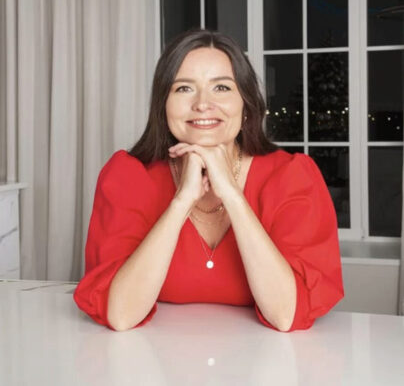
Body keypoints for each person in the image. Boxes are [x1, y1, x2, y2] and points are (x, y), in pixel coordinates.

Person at [73, 28, 344, 332]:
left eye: (222, 87)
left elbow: (285, 314)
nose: (202, 104)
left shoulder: (292, 177)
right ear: (163, 105)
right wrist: (182, 201)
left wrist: (232, 194)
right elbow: (121, 314)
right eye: (184, 88)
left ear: (246, 104)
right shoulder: (127, 176)